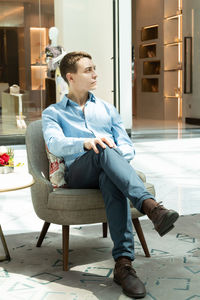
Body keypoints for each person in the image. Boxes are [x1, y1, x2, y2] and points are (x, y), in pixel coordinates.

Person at [42, 51, 179, 299]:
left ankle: (123, 265)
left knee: (109, 171)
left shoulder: (107, 109)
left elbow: (127, 146)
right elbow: (54, 143)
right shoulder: (53, 113)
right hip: (79, 173)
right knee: (101, 148)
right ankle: (151, 207)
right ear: (70, 77)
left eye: (95, 68)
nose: (95, 74)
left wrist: (114, 157)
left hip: (107, 167)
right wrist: (86, 143)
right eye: (88, 70)